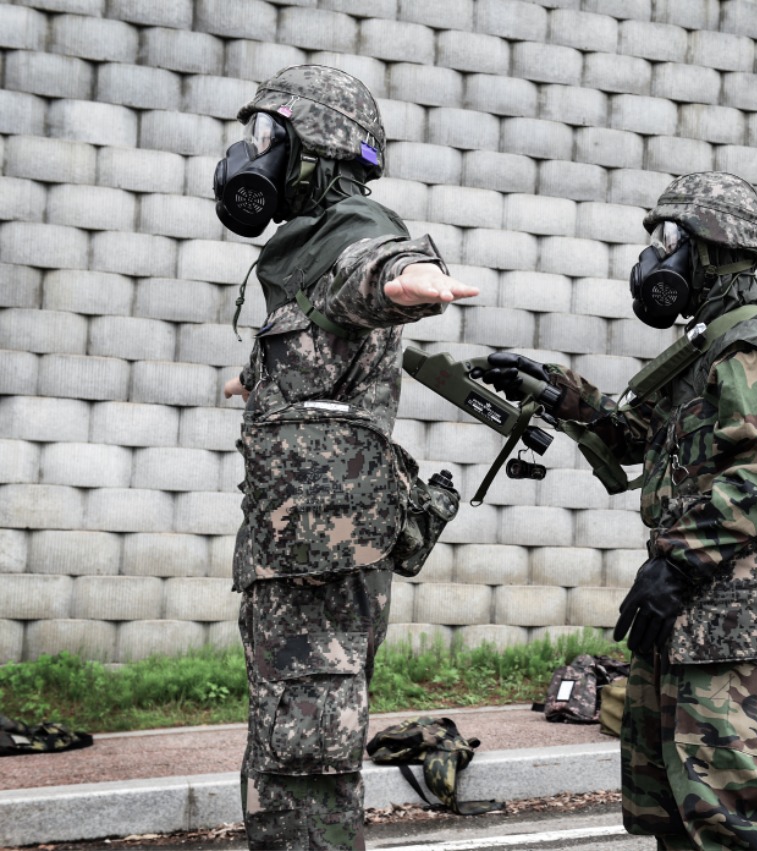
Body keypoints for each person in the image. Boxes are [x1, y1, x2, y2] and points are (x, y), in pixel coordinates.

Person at [481, 172, 757, 849]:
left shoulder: (753, 345)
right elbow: (638, 437)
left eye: (669, 238)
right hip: (684, 602)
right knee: (664, 806)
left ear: (712, 250)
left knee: (728, 810)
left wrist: (678, 563)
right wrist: (558, 392)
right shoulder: (701, 351)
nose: (655, 258)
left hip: (723, 606)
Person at [217, 64, 478, 851]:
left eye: (270, 137)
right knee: (283, 764)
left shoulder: (353, 236)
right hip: (290, 565)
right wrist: (260, 381)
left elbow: (371, 273)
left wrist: (410, 278)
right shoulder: (301, 258)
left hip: (323, 574)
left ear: (318, 151)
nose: (249, 154)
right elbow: (326, 348)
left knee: (309, 769)